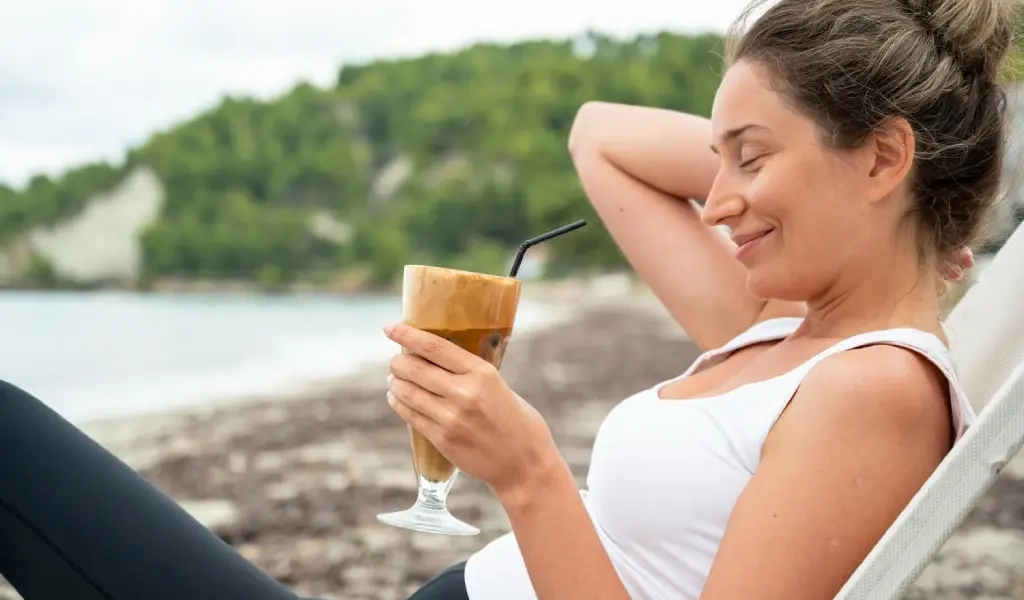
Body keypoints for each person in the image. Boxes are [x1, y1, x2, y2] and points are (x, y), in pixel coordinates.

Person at [391, 0, 1016, 598]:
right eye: (719, 162)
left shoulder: (873, 389)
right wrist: (892, 220)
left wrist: (527, 475)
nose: (713, 205)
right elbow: (598, 135)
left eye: (749, 157)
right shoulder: (785, 325)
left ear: (883, 159)